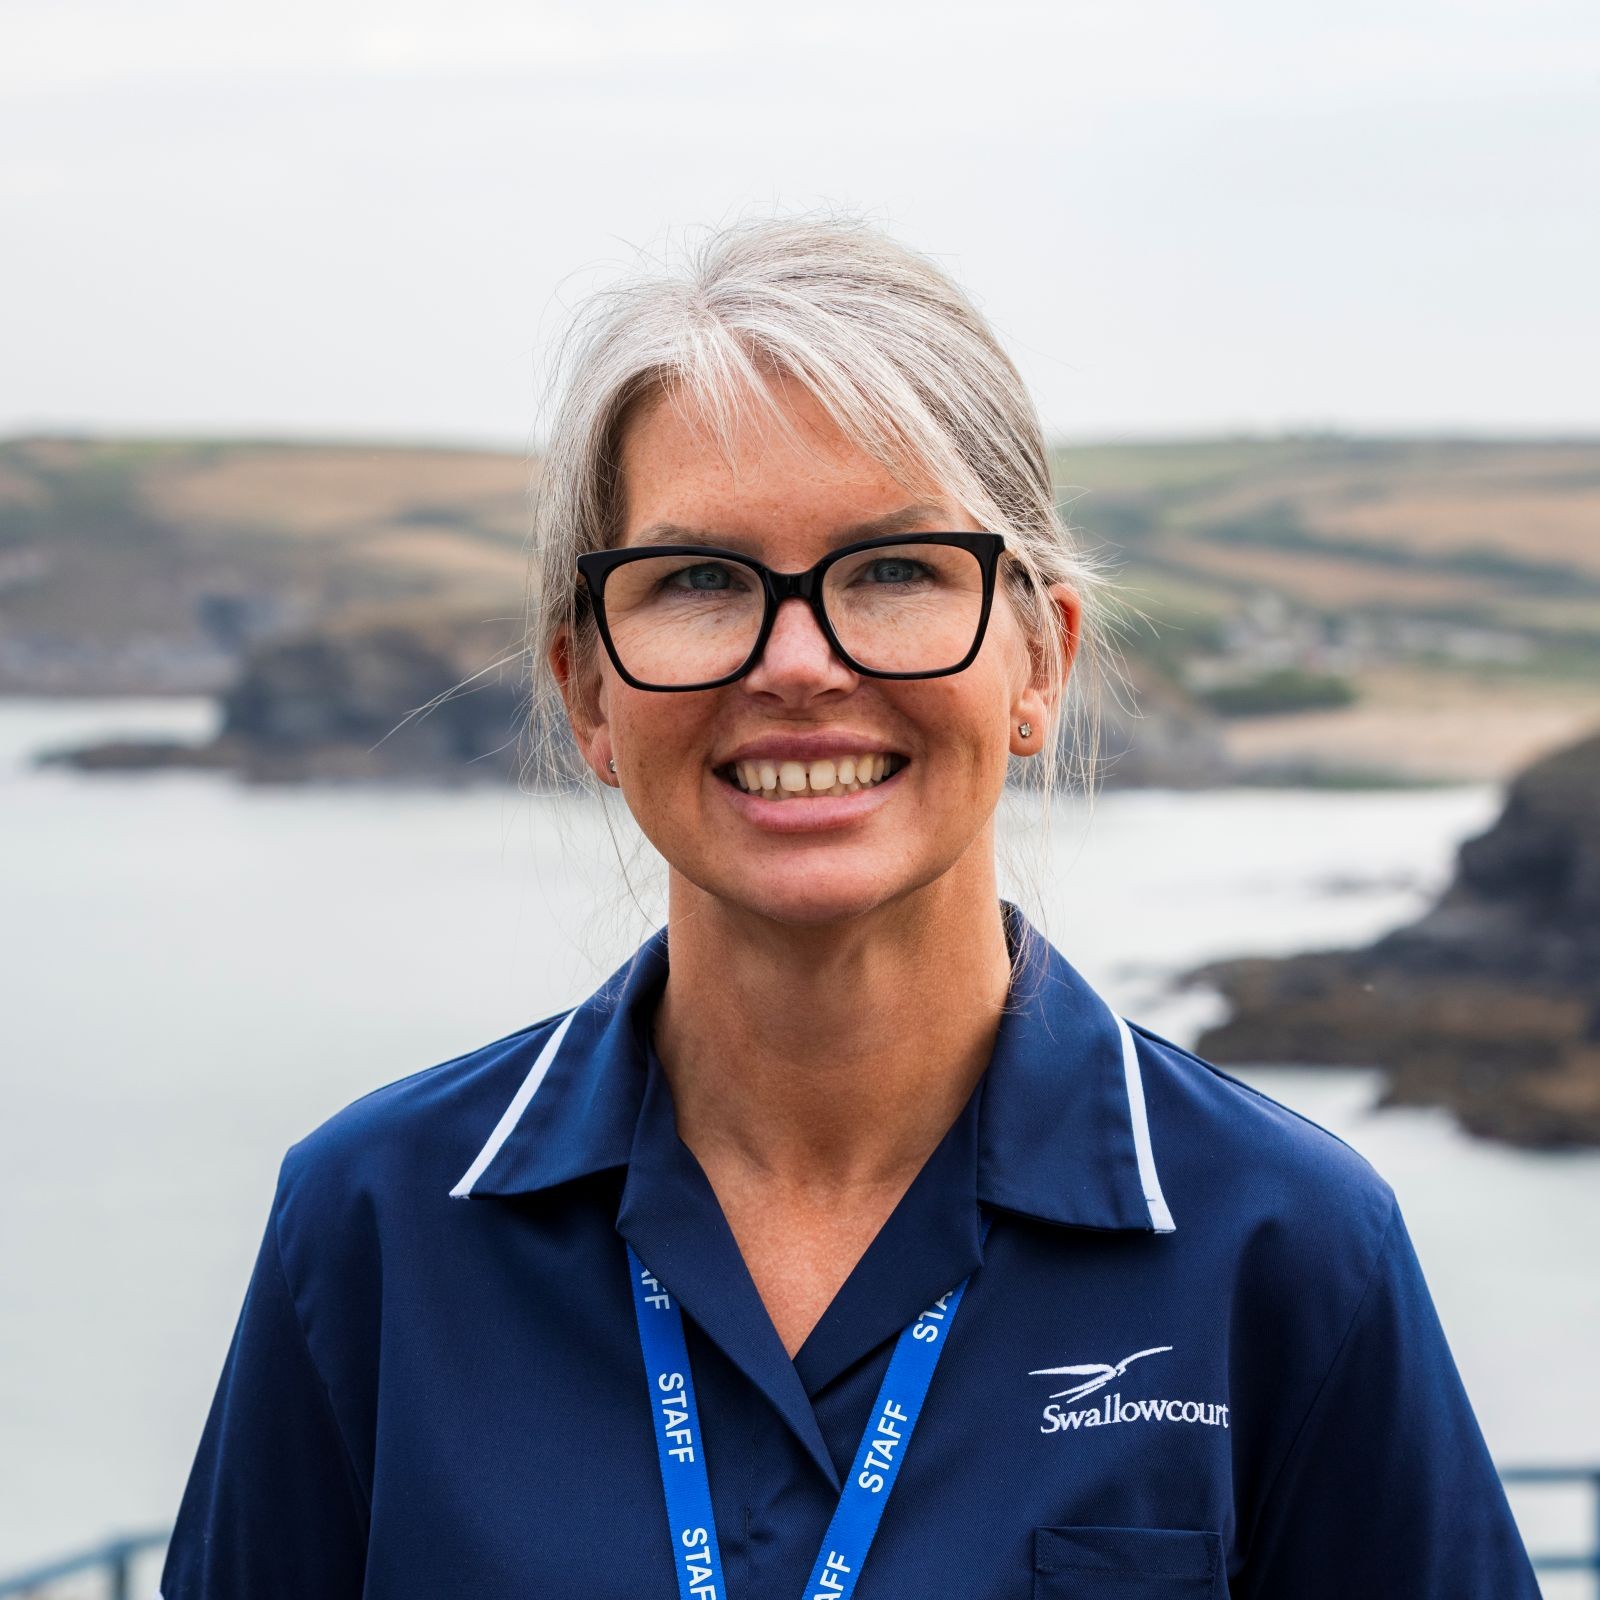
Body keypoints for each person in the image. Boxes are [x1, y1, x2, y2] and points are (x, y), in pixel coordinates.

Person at [159, 216, 1540, 1599]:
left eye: (892, 570)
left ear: (1038, 662)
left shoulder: (1284, 1247)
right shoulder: (375, 1226)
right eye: (701, 580)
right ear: (587, 689)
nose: (800, 663)